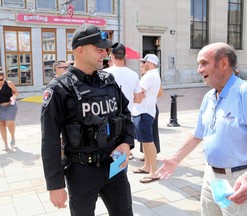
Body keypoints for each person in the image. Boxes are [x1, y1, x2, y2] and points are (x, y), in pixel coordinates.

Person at [156, 42, 247, 216]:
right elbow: (197, 134)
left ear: (223, 64)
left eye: (204, 63)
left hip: (239, 179)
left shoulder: (245, 92)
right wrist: (175, 159)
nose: (199, 69)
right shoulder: (209, 96)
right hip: (211, 178)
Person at [41, 24, 134, 216]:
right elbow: (49, 140)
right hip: (82, 171)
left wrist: (126, 142)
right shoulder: (59, 89)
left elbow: (125, 114)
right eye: (98, 49)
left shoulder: (108, 81)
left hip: (114, 166)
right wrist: (55, 185)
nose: (104, 54)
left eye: (105, 49)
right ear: (80, 50)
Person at [104, 43, 142, 160]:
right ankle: (119, 175)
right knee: (121, 158)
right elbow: (139, 99)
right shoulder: (133, 74)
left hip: (107, 120)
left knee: (106, 156)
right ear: (125, 56)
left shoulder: (104, 73)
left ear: (111, 56)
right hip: (126, 119)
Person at [132, 54, 161, 183]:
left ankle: (153, 172)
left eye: (143, 63)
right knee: (145, 141)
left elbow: (139, 94)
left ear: (150, 63)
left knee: (148, 142)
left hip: (144, 112)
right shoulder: (152, 75)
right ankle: (147, 166)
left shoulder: (149, 76)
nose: (141, 66)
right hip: (144, 112)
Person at [139, 62, 162, 161]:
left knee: (149, 135)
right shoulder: (150, 76)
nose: (141, 68)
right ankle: (147, 157)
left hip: (148, 108)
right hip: (150, 107)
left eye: (142, 66)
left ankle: (151, 159)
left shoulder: (151, 77)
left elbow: (160, 93)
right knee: (146, 135)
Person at [0, 70, 18, 151]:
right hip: (0, 107)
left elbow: (16, 92)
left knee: (10, 123)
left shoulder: (9, 83)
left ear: (4, 78)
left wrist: (14, 97)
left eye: (1, 79)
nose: (0, 82)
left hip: (10, 106)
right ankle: (5, 144)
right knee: (2, 125)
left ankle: (13, 136)